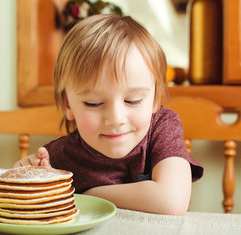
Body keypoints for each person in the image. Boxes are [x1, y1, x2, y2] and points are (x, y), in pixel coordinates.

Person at [13, 14, 203, 216]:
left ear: (155, 99)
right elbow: (22, 210)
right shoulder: (56, 158)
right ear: (68, 105)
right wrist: (22, 178)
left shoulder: (162, 127)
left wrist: (83, 195)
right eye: (93, 103)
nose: (116, 118)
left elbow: (171, 201)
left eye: (133, 100)